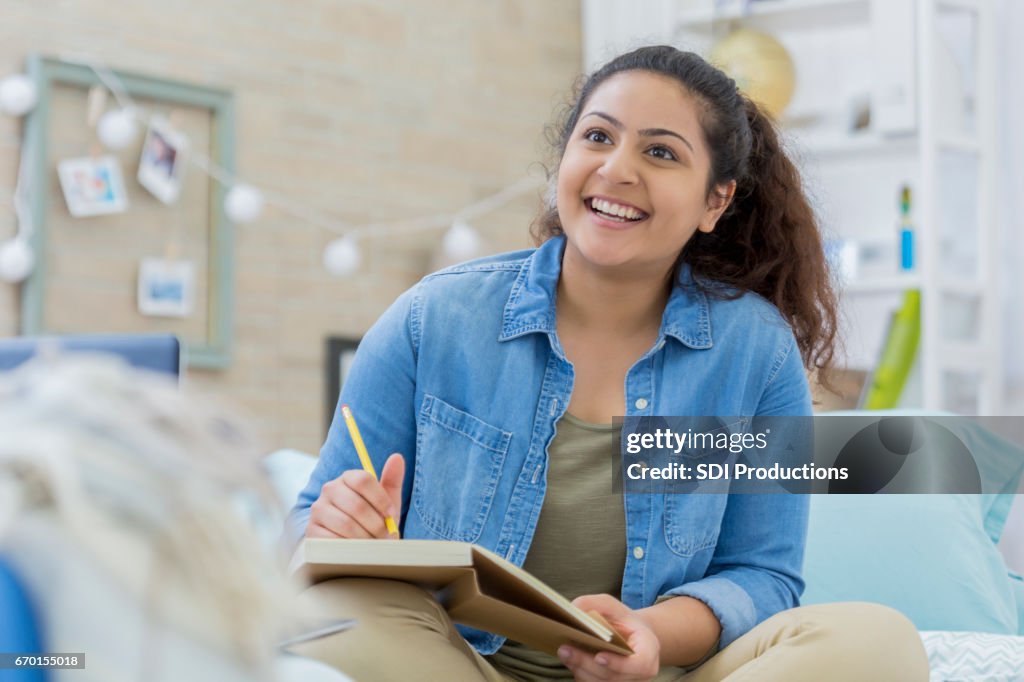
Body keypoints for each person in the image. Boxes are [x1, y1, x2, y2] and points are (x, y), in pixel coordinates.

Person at [285, 46, 929, 681]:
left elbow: (762, 575)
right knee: (333, 608)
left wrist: (648, 633)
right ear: (563, 160)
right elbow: (304, 526)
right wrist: (336, 528)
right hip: (458, 665)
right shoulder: (437, 317)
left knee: (878, 642)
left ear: (715, 202)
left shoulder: (753, 352)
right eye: (598, 137)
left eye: (660, 152)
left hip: (658, 677)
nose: (617, 170)